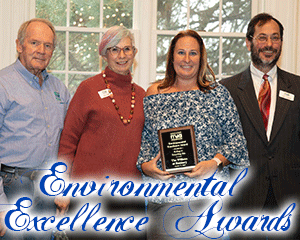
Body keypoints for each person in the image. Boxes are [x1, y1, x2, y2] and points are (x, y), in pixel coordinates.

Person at [136, 29, 249, 240]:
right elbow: (146, 145)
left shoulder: (217, 93)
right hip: (164, 201)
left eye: (193, 53)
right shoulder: (154, 93)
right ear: (171, 57)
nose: (187, 59)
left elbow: (237, 141)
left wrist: (214, 163)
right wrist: (146, 167)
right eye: (181, 52)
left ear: (201, 57)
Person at [55, 25, 146, 239]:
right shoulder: (88, 89)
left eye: (127, 49)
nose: (121, 55)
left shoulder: (142, 96)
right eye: (114, 49)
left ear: (134, 53)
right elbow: (68, 142)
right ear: (105, 54)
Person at [220, 13, 300, 240]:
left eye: (275, 38)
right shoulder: (227, 89)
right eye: (262, 37)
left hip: (290, 197)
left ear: (281, 43)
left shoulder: (298, 87)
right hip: (244, 198)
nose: (269, 45)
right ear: (249, 42)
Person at [0, 18, 70, 239]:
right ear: (19, 45)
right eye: (34, 43)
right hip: (12, 187)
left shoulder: (59, 89)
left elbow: (68, 143)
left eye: (47, 45)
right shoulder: (3, 84)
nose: (41, 51)